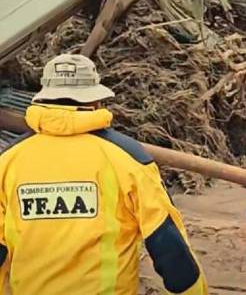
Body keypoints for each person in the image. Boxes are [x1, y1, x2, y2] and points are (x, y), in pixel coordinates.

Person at [0, 54, 207, 294]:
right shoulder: (127, 158)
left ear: (44, 99)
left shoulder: (8, 161)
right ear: (95, 101)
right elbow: (169, 247)